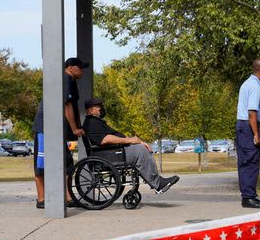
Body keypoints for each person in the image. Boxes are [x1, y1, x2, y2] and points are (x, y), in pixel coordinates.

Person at [83, 98, 179, 194]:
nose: (102, 108)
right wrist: (130, 140)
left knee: (142, 147)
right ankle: (158, 184)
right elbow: (104, 139)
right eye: (99, 107)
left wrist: (139, 141)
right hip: (110, 155)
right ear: (91, 110)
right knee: (141, 151)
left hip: (114, 152)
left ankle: (154, 180)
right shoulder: (91, 123)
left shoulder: (96, 122)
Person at [32, 57, 87, 209]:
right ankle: (42, 199)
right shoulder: (65, 78)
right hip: (45, 128)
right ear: (70, 67)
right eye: (79, 67)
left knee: (67, 163)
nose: (82, 70)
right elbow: (67, 106)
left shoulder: (70, 81)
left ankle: (68, 197)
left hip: (56, 129)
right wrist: (75, 128)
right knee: (41, 165)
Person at [236, 57, 260, 209]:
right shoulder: (255, 86)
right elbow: (252, 112)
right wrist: (256, 134)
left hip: (241, 125)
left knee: (244, 161)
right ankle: (249, 197)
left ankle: (247, 195)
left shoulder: (246, 83)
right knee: (251, 161)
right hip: (248, 126)